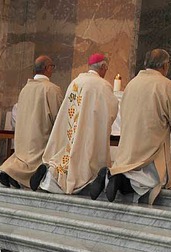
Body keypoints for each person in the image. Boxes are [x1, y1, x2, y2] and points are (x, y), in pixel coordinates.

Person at [90, 49, 171, 204]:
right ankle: (122, 182)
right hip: (151, 145)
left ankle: (112, 174)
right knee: (151, 181)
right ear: (164, 66)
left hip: (130, 142)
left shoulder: (132, 83)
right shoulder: (167, 85)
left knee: (129, 167)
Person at [30, 53, 119, 195]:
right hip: (89, 131)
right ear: (102, 67)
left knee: (64, 157)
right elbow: (111, 110)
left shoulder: (76, 81)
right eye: (106, 69)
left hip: (71, 130)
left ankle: (51, 173)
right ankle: (88, 182)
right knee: (86, 160)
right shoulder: (103, 85)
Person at [0, 56, 63, 188]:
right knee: (35, 160)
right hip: (40, 134)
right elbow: (58, 116)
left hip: (24, 134)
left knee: (22, 158)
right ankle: (23, 176)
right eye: (52, 67)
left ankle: (9, 171)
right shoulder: (52, 89)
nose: (53, 70)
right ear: (47, 68)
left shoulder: (25, 88)